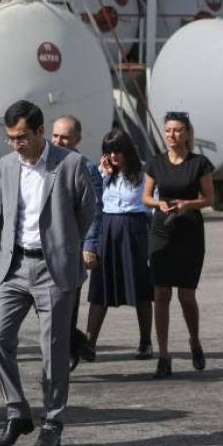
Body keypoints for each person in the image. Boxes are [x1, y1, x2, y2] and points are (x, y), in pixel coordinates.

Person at [0, 100, 94, 446]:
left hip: (53, 269)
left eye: (22, 137)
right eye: (11, 138)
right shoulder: (5, 165)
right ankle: (17, 413)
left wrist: (65, 246)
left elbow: (87, 212)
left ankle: (52, 421)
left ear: (41, 131)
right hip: (14, 266)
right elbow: (2, 210)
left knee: (53, 351)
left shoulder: (70, 164)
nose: (16, 144)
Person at [142, 111, 215, 379]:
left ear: (187, 133)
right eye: (168, 130)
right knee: (161, 294)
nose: (171, 135)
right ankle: (163, 356)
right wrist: (159, 203)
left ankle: (194, 341)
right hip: (161, 230)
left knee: (186, 295)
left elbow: (209, 199)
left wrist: (188, 204)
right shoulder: (156, 162)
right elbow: (146, 197)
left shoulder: (199, 163)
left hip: (189, 232)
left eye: (177, 130)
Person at [82, 129, 154, 360]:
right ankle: (89, 344)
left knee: (141, 288)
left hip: (135, 229)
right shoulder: (103, 173)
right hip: (108, 229)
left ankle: (145, 342)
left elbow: (154, 205)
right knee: (100, 288)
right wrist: (104, 175)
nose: (113, 156)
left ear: (128, 151)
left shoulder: (144, 171)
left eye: (118, 151)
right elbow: (95, 204)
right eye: (109, 151)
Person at [50, 115, 103, 371]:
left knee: (68, 303)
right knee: (45, 305)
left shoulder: (85, 167)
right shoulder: (45, 164)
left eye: (65, 137)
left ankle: (69, 351)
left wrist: (89, 246)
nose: (58, 141)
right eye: (55, 136)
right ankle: (79, 341)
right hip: (47, 245)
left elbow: (95, 210)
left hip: (73, 246)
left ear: (78, 139)